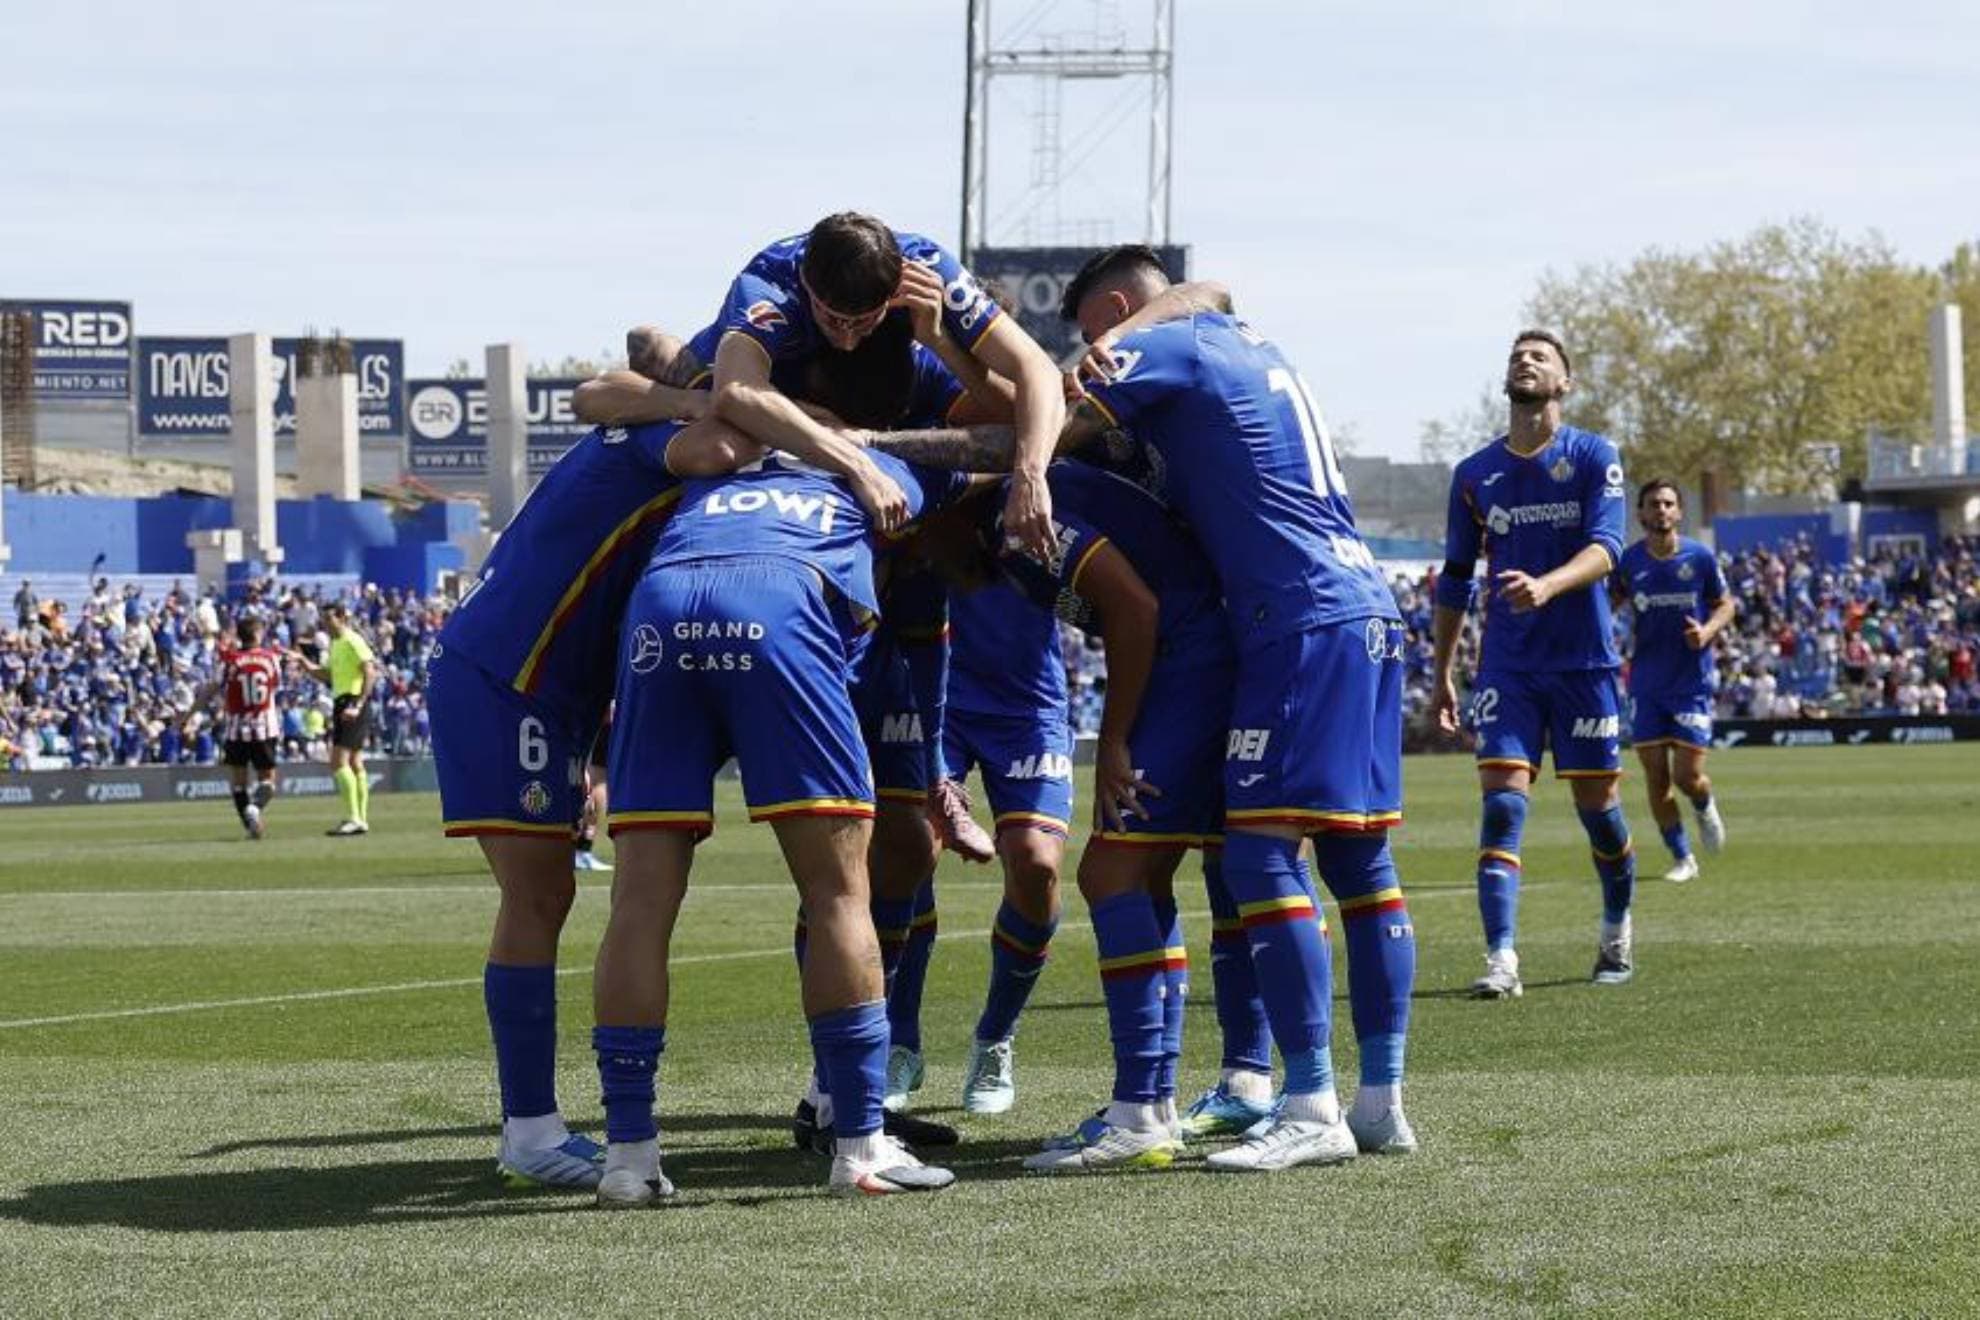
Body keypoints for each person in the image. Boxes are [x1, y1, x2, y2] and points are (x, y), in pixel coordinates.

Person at [874, 246, 1422, 1168]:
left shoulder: (1158, 355)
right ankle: (1360, 1100)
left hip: (1277, 622)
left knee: (1180, 866)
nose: (1094, 357)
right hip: (1349, 606)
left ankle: (1277, 1104)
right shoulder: (1235, 347)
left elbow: (1033, 425)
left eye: (1098, 333)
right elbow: (1051, 401)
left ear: (1124, 309)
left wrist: (870, 449)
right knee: (1346, 863)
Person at [593, 377, 972, 1203]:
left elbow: (628, 375)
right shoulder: (891, 460)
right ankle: (861, 1146)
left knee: (639, 902)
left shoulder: (728, 456)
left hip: (663, 603)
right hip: (781, 600)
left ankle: (628, 1159)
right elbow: (1001, 441)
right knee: (838, 893)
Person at [1431, 330, 1638, 996]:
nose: (1525, 360)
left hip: (1583, 663)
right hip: (1508, 666)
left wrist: (1547, 586)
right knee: (1501, 806)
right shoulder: (1474, 474)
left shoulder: (1594, 455)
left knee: (1598, 810)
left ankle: (1615, 929)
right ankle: (1502, 959)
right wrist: (1442, 673)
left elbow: (1608, 548)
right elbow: (1455, 578)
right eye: (1518, 355)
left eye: (1540, 356)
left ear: (1564, 383)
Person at [685, 212, 1066, 560]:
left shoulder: (926, 268)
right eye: (833, 320)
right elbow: (735, 392)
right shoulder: (770, 282)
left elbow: (1037, 371)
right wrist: (857, 465)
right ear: (806, 286)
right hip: (724, 393)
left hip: (860, 424)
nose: (848, 339)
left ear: (896, 292)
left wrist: (1030, 476)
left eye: (865, 321)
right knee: (711, 439)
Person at [1617, 480, 1733, 882]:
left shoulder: (1699, 557)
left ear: (1679, 512)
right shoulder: (1629, 561)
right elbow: (1607, 603)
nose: (1662, 510)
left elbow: (1726, 604)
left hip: (1690, 682)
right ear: (1641, 513)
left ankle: (1703, 804)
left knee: (1687, 776)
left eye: (1668, 503)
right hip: (1646, 683)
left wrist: (1707, 631)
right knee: (1656, 777)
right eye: (1654, 504)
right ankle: (1683, 858)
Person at [294, 602, 378, 837]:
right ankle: (360, 819)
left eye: (329, 618)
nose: (325, 623)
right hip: (344, 702)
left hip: (352, 702)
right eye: (323, 619)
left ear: (342, 618)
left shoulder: (352, 640)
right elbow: (327, 675)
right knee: (355, 762)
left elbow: (370, 671)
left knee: (338, 762)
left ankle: (354, 818)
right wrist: (303, 662)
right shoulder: (336, 643)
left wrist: (358, 704)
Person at [206, 616, 284, 839]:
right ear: (258, 634)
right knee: (268, 782)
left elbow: (212, 688)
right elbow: (274, 687)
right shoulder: (270, 658)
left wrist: (189, 713)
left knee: (239, 784)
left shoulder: (230, 661)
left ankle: (251, 825)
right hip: (264, 727)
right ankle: (255, 809)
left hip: (236, 729)